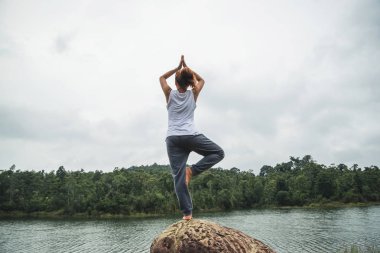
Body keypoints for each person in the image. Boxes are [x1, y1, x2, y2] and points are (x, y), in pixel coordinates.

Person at [159, 55, 225, 220]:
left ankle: (187, 214)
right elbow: (202, 79)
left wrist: (177, 67)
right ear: (189, 83)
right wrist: (188, 69)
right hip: (191, 135)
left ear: (175, 83)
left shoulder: (169, 93)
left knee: (178, 176)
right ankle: (192, 171)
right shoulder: (194, 93)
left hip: (173, 138)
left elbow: (161, 77)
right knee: (218, 153)